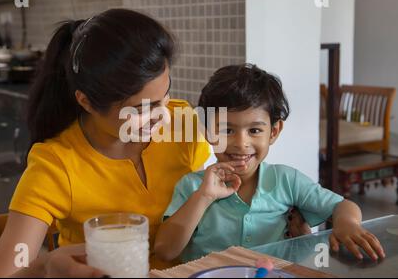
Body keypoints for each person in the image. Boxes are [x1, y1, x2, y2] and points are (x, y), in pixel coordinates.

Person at [0, 8, 211, 277]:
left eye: (165, 94)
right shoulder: (56, 163)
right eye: (140, 109)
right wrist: (45, 264)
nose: (161, 116)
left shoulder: (182, 124)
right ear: (86, 102)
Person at [155, 64, 386, 263]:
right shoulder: (192, 186)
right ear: (207, 131)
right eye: (226, 130)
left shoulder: (286, 180)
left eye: (254, 130)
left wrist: (347, 223)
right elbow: (165, 250)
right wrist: (203, 197)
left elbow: (342, 206)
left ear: (273, 132)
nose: (241, 143)